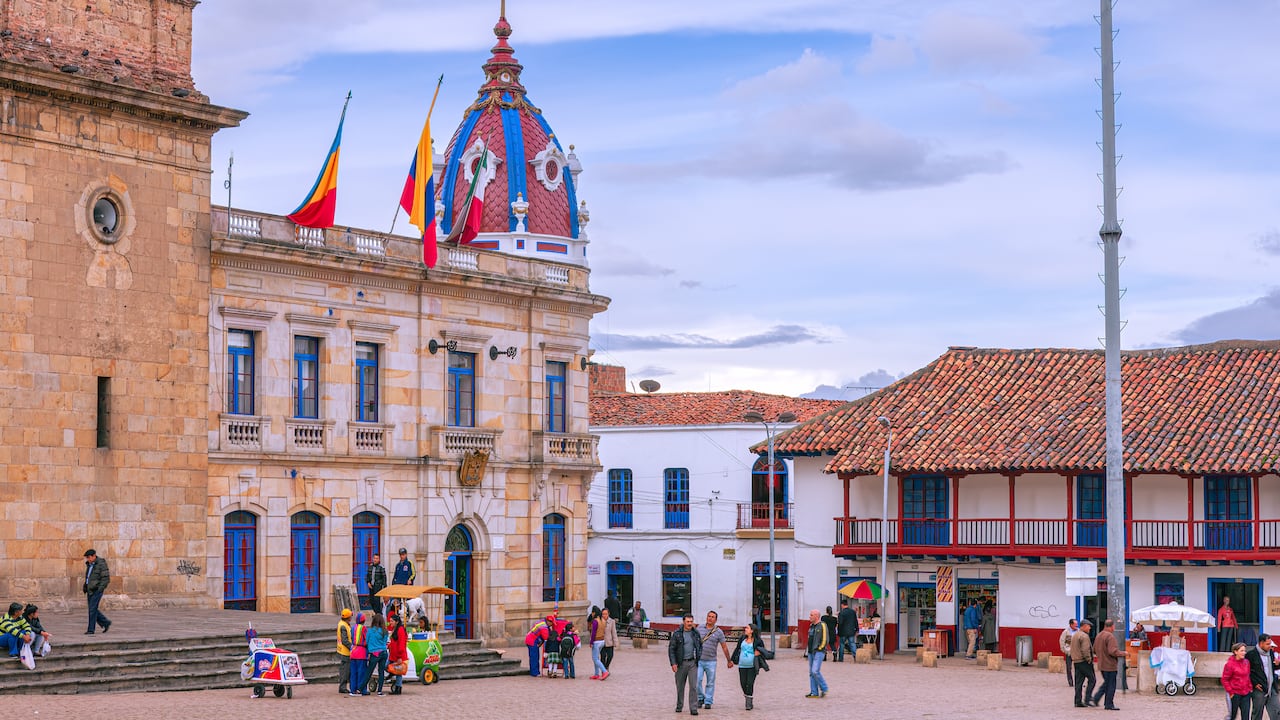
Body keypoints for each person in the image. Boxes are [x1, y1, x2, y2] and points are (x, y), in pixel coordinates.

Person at [695, 610, 733, 710]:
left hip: (711, 661)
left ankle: (708, 701)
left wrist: (729, 660)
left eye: (712, 617)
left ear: (716, 620)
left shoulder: (719, 632)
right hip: (699, 660)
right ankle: (700, 697)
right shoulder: (699, 628)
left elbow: (724, 647)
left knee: (710, 682)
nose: (710, 618)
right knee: (697, 681)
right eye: (709, 616)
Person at [669, 614, 703, 715]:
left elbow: (700, 646)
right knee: (680, 686)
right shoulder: (677, 634)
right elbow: (671, 649)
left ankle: (693, 708)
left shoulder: (695, 633)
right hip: (680, 663)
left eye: (691, 621)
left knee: (693, 686)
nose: (690, 623)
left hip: (692, 663)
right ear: (683, 622)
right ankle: (679, 705)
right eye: (688, 622)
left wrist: (698, 657)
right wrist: (673, 663)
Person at [730, 623, 770, 711]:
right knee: (743, 683)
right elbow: (737, 649)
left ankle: (748, 703)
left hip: (752, 665)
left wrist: (759, 653)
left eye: (747, 628)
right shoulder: (742, 639)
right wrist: (732, 660)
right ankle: (748, 696)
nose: (745, 629)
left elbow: (763, 651)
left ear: (752, 630)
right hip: (742, 665)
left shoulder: (758, 641)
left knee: (750, 683)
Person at [1090, 619, 1125, 711]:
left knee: (1107, 683)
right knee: (1111, 685)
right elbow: (1112, 651)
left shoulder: (1099, 635)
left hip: (1101, 664)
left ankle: (1096, 698)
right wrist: (1123, 653)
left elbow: (1093, 649)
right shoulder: (1110, 637)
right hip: (1110, 665)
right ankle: (1109, 704)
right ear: (1112, 626)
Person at [1245, 633, 1280, 720]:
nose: (1269, 646)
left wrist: (1278, 664)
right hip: (1259, 689)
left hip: (1271, 688)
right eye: (1267, 644)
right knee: (1257, 713)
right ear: (1261, 643)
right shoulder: (1251, 655)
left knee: (1277, 712)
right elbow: (1247, 672)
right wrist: (1254, 683)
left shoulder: (1271, 653)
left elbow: (1272, 668)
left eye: (1270, 643)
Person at [82, 548, 112, 635]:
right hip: (89, 590)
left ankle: (91, 629)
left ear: (94, 556)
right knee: (93, 609)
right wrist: (85, 586)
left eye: (89, 557)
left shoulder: (101, 564)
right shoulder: (89, 565)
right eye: (87, 558)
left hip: (96, 590)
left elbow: (106, 578)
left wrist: (100, 588)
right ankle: (105, 622)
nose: (88, 559)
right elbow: (89, 577)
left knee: (92, 609)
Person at [1070, 619, 1097, 708]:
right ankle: (1087, 698)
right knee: (1092, 679)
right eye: (1089, 626)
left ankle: (1077, 701)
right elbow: (1085, 650)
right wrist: (1089, 659)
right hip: (1083, 661)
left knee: (1079, 682)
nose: (1089, 628)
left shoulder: (1075, 635)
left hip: (1076, 661)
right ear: (1084, 626)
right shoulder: (1084, 636)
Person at [1224, 642, 1254, 720]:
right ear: (1235, 651)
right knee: (1232, 716)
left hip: (1245, 692)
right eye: (1242, 651)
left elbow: (1248, 676)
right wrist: (1230, 692)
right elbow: (1225, 679)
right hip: (1234, 693)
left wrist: (1250, 688)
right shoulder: (1229, 664)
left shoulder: (1247, 662)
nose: (1244, 652)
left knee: (1245, 716)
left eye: (1244, 651)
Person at [805, 608, 830, 699]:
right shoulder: (811, 626)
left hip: (818, 652)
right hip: (811, 652)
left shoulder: (822, 625)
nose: (809, 616)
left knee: (815, 671)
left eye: (811, 615)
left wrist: (820, 648)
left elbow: (825, 639)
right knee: (811, 672)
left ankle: (824, 688)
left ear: (816, 616)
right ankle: (814, 692)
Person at [366, 612, 388, 696]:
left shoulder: (370, 631)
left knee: (369, 672)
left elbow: (367, 641)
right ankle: (380, 691)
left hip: (374, 653)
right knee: (381, 672)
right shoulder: (384, 631)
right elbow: (385, 642)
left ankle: (360, 688)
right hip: (383, 652)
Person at [348, 612, 369, 697]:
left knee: (353, 672)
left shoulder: (353, 628)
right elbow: (366, 640)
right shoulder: (364, 628)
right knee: (362, 672)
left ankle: (353, 689)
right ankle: (361, 689)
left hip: (353, 651)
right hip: (361, 652)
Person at [387, 612, 408, 695]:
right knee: (396, 671)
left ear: (396, 621)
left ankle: (398, 688)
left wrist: (400, 656)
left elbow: (401, 643)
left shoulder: (400, 630)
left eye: (392, 621)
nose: (390, 623)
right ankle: (397, 687)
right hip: (393, 654)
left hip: (398, 655)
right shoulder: (395, 629)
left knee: (397, 672)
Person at [391, 547, 415, 617]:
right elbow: (395, 576)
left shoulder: (409, 563)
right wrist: (393, 585)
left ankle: (408, 617)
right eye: (401, 555)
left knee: (407, 603)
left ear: (406, 554)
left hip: (406, 587)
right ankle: (397, 616)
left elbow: (413, 574)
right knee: (397, 603)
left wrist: (410, 580)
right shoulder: (398, 565)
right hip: (398, 588)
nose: (402, 556)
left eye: (403, 554)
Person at [335, 608, 354, 694]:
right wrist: (352, 647)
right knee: (345, 670)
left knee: (344, 670)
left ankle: (343, 686)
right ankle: (342, 687)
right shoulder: (343, 626)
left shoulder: (343, 624)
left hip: (342, 650)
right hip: (345, 651)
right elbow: (345, 640)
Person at [588, 606, 609, 680]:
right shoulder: (603, 620)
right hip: (602, 640)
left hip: (596, 641)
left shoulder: (595, 621)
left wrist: (591, 642)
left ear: (594, 613)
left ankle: (604, 671)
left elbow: (593, 633)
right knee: (596, 658)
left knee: (595, 659)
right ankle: (596, 673)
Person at [1059, 619, 1079, 687]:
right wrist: (1065, 650)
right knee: (1069, 667)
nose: (1076, 625)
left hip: (1077, 652)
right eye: (1075, 624)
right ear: (1071, 624)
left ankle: (1077, 682)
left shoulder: (1078, 631)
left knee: (1078, 667)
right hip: (1069, 652)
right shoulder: (1066, 632)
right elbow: (1062, 641)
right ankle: (1070, 681)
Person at [601, 606, 619, 671]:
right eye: (603, 614)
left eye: (605, 614)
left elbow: (614, 632)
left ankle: (606, 666)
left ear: (608, 614)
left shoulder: (612, 621)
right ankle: (604, 670)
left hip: (609, 641)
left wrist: (615, 642)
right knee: (603, 656)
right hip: (602, 642)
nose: (604, 615)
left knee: (610, 656)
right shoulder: (599, 621)